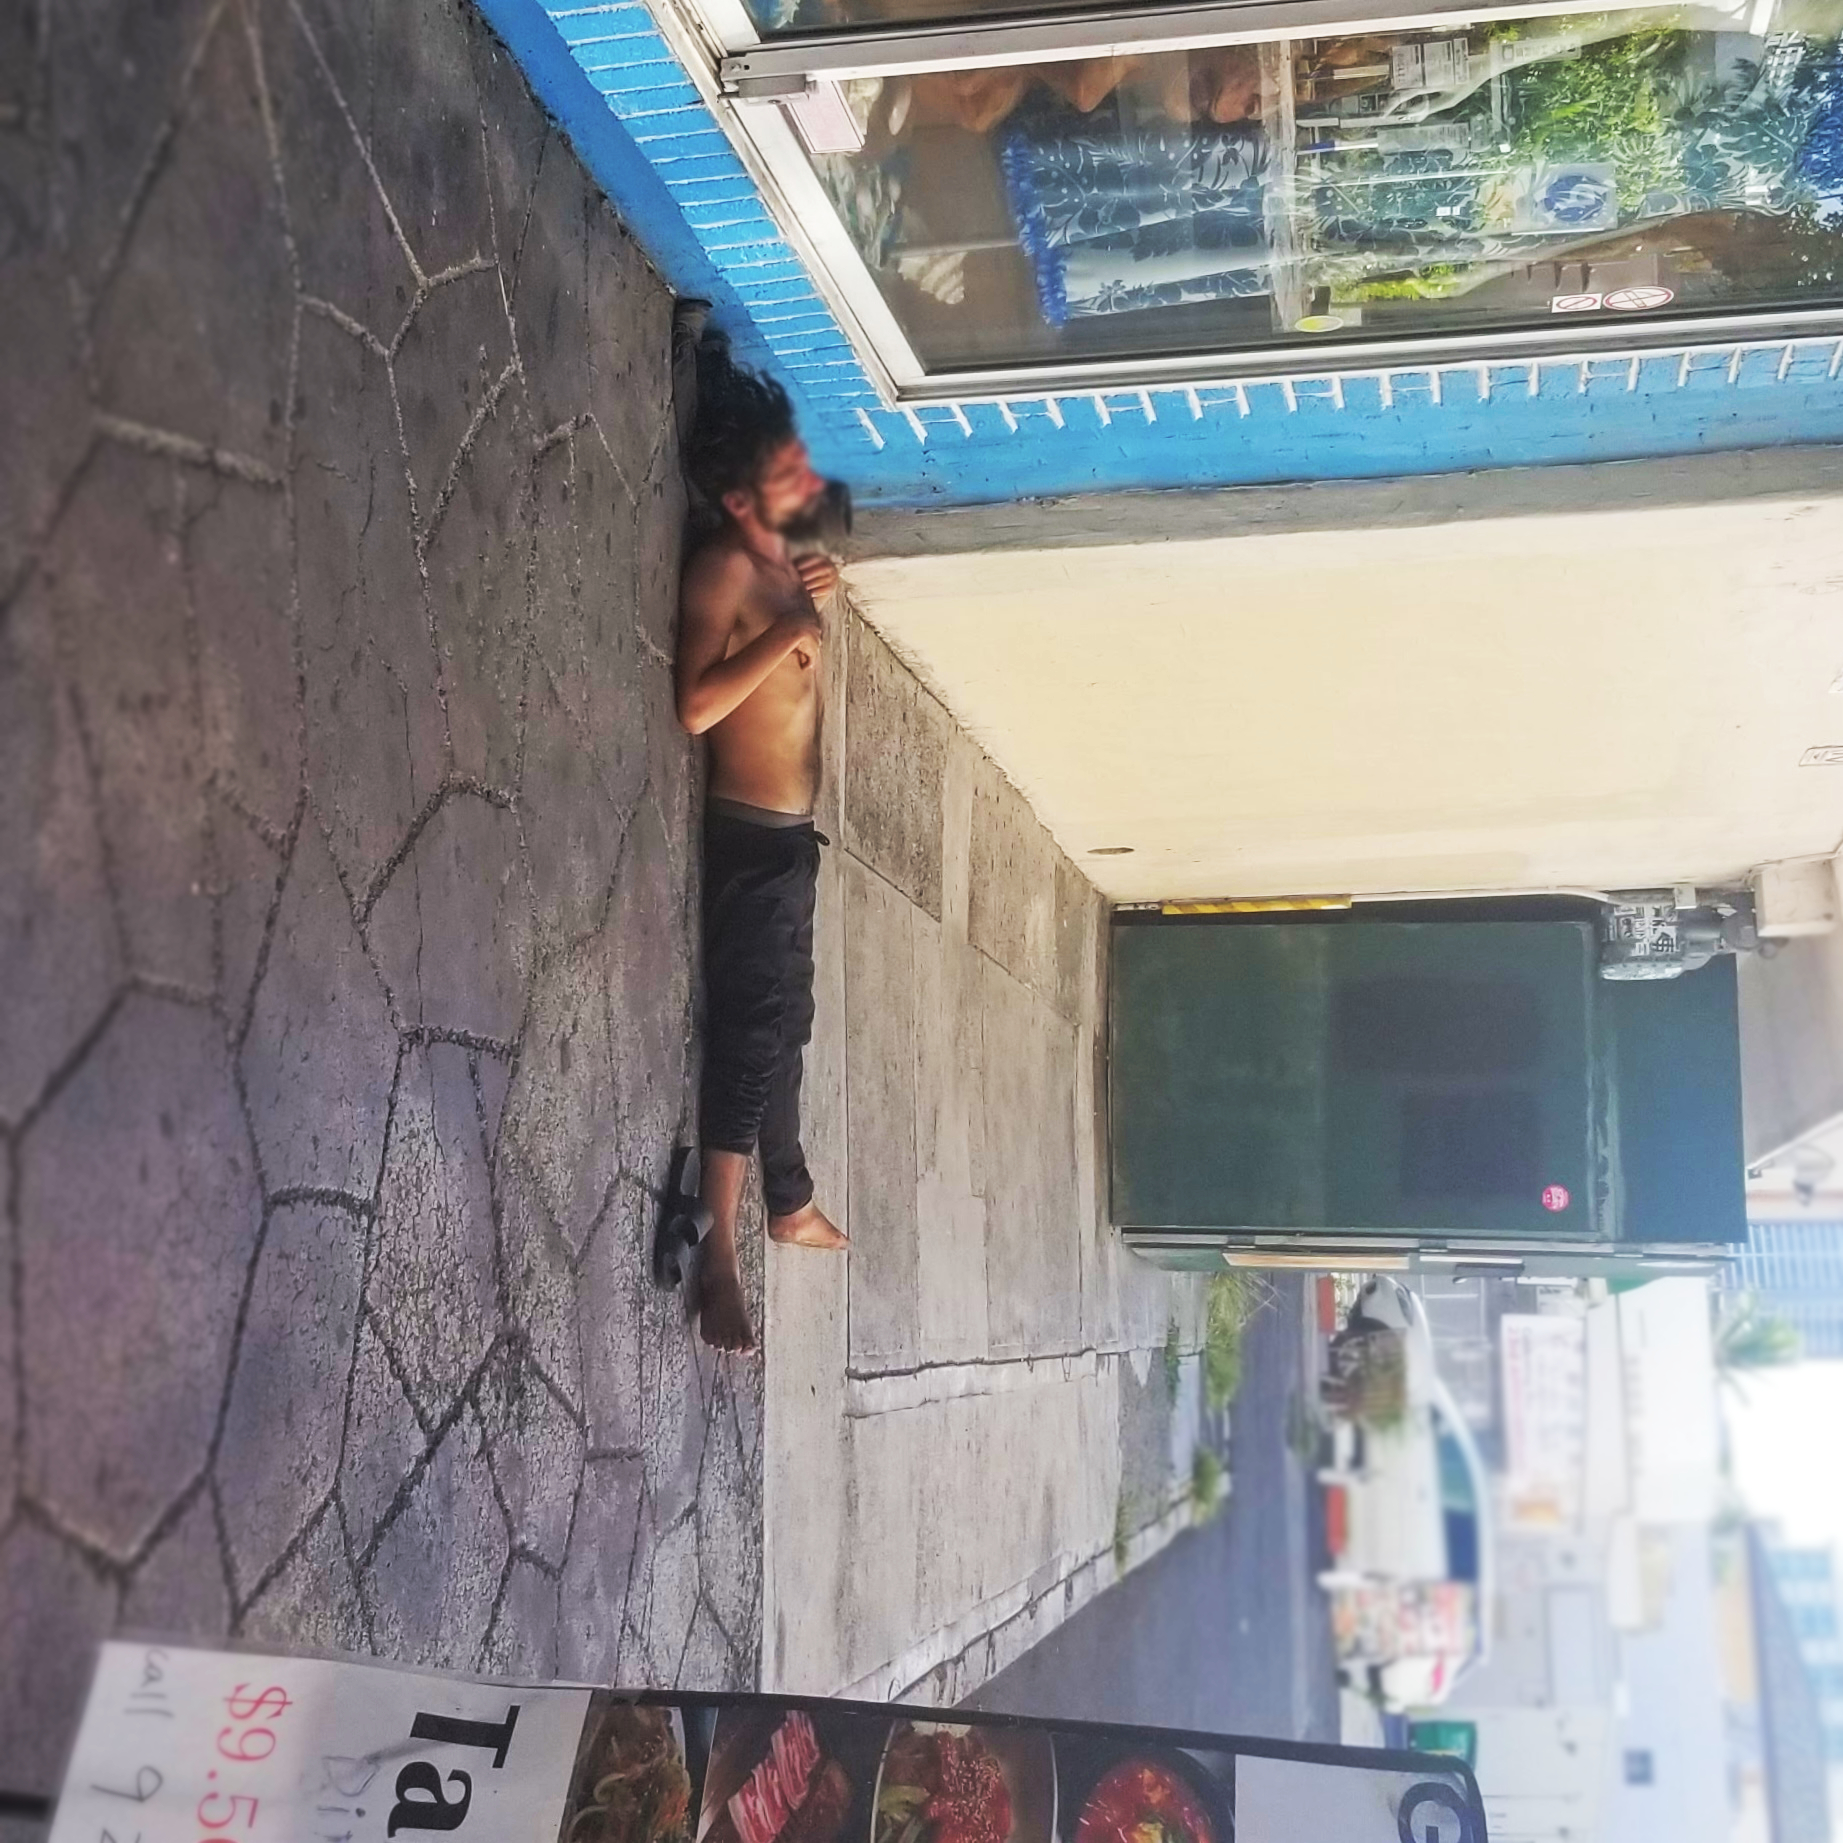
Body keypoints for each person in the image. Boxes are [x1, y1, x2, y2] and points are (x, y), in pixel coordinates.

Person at [674, 337, 849, 1353]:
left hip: (791, 845)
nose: (804, 476)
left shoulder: (785, 565)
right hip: (750, 840)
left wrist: (811, 600)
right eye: (785, 468)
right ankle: (722, 1262)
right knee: (749, 1036)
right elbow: (697, 708)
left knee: (790, 1024)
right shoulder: (725, 570)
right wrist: (782, 636)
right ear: (741, 497)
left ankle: (790, 1198)